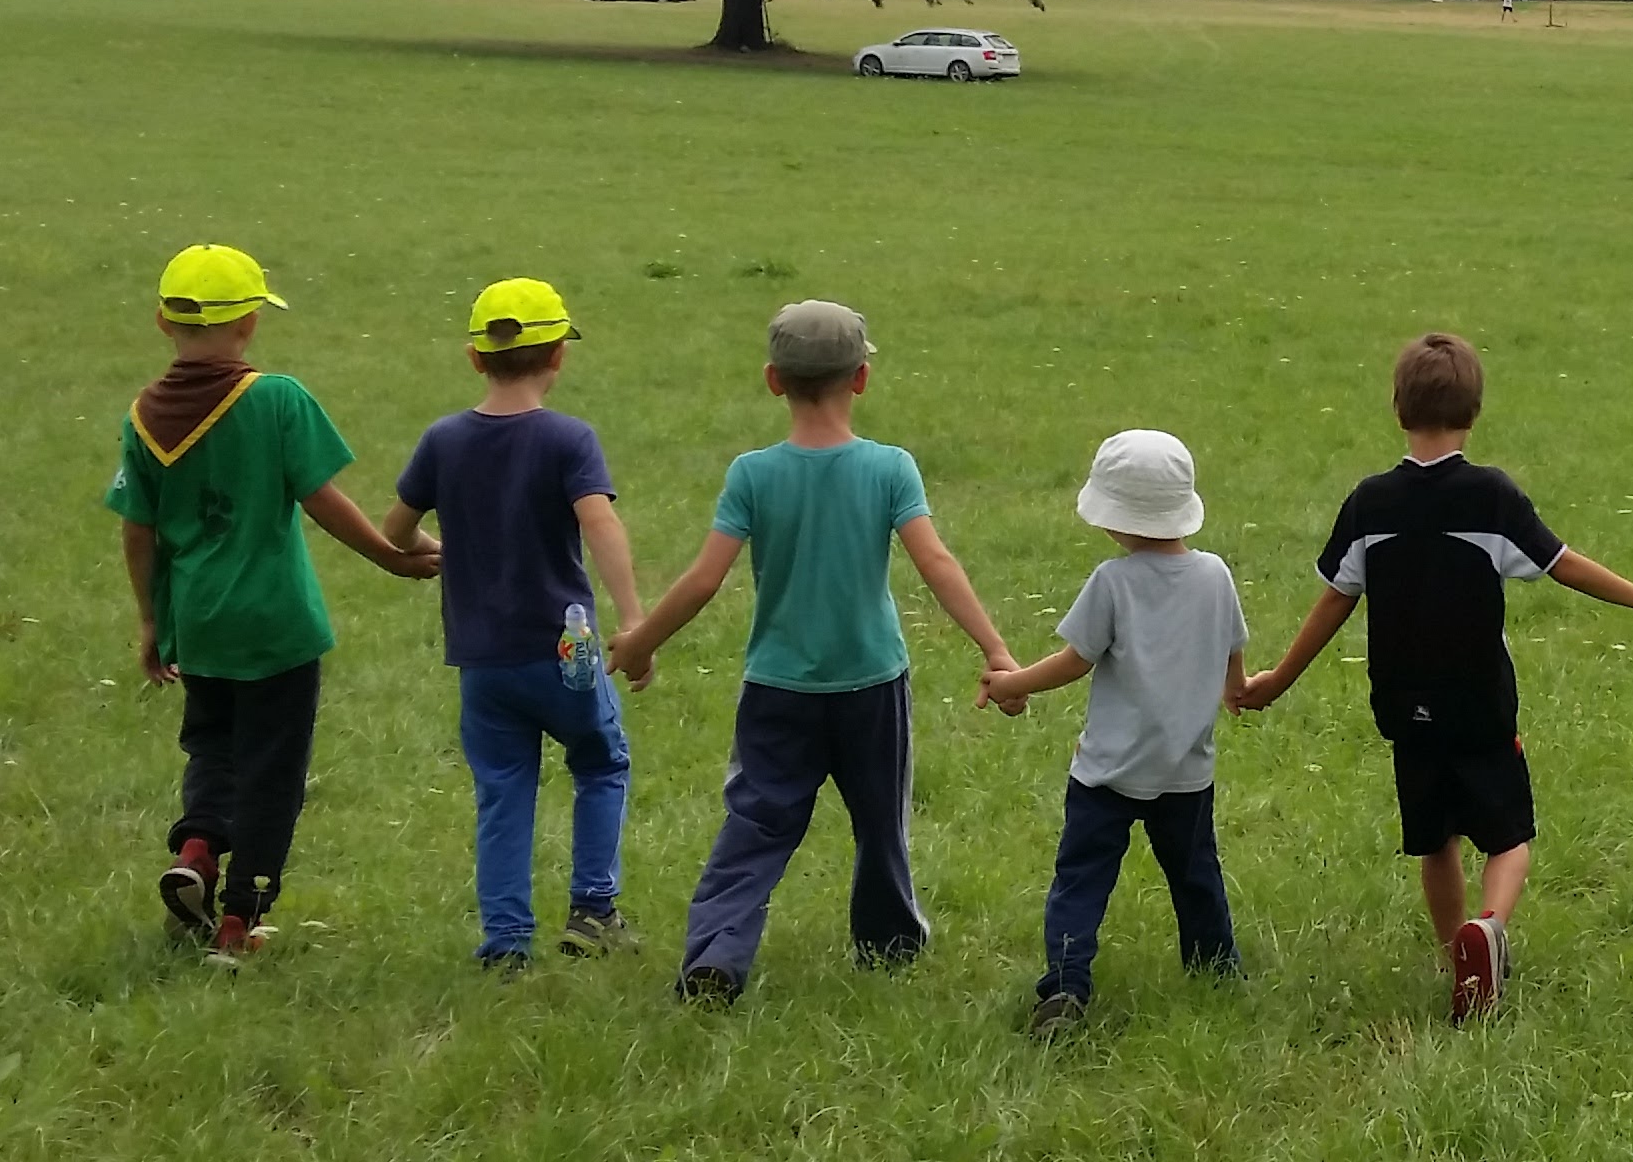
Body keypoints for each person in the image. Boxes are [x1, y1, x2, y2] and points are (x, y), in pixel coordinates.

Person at [1241, 331, 1633, 1021]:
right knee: (1509, 838)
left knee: (1435, 840)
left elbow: (1335, 599)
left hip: (1403, 707)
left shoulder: (1370, 502)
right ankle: (1487, 929)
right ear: (1474, 411)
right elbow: (1565, 565)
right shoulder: (1490, 496)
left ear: (1397, 407)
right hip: (1481, 704)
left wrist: (1277, 679)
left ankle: (1452, 947)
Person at [607, 300, 1019, 1005]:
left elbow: (703, 580)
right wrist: (997, 650)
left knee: (755, 825)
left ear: (774, 380)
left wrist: (641, 643)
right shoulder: (890, 468)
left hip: (778, 688)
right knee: (881, 823)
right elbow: (936, 563)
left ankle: (717, 954)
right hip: (871, 685)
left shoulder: (752, 474)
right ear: (861, 379)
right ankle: (889, 943)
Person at [107, 244, 435, 964]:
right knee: (272, 772)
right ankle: (238, 923)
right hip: (278, 627)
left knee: (213, 747)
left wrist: (152, 619)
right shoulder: (277, 398)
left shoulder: (142, 417)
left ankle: (197, 850)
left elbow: (138, 529)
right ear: (249, 322)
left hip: (199, 623)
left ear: (163, 321)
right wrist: (391, 555)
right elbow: (322, 499)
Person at [381, 278, 644, 973]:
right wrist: (634, 620)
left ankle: (505, 942)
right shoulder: (568, 438)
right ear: (559, 355)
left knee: (502, 790)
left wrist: (432, 550)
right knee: (602, 762)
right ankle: (593, 910)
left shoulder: (443, 440)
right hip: (564, 653)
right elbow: (600, 523)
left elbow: (395, 531)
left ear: (475, 358)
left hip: (483, 658)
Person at [981, 431, 1256, 1035]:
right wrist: (1236, 688)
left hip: (1106, 772)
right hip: (1186, 770)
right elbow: (1232, 647)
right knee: (1196, 875)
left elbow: (1074, 661)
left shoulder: (1113, 581)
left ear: (1114, 517)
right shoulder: (1215, 574)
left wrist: (1011, 683)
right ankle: (1217, 969)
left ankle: (1065, 986)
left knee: (1081, 879)